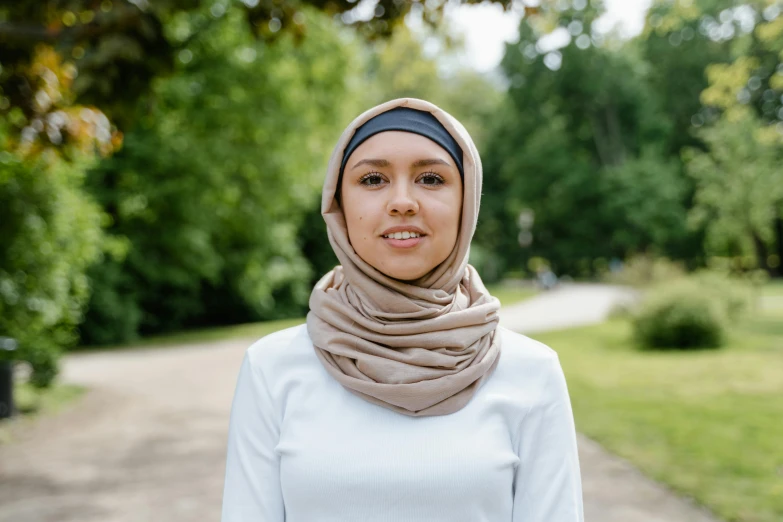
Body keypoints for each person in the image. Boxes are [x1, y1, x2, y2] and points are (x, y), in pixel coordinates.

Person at [221, 98, 584, 521]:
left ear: (467, 201)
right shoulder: (271, 370)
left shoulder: (532, 373)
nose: (402, 202)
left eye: (431, 178)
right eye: (373, 179)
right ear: (338, 204)